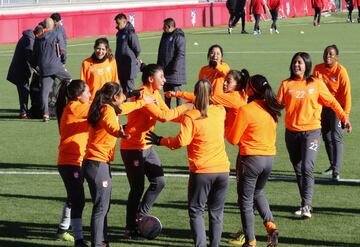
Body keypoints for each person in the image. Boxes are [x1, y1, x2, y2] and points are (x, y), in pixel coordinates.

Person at [146, 79, 230, 247]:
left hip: (202, 171)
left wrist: (161, 140)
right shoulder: (220, 111)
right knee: (216, 212)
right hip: (223, 170)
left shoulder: (191, 116)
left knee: (196, 211)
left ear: (195, 94)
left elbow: (181, 141)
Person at [120, 64, 193, 239]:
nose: (165, 80)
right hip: (133, 148)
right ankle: (130, 227)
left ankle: (141, 215)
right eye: (162, 77)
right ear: (151, 79)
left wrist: (193, 116)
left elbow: (169, 113)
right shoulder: (143, 94)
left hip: (147, 145)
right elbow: (163, 117)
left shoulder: (155, 94)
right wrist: (186, 106)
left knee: (159, 181)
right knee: (137, 189)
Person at [277, 52, 352, 219]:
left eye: (300, 63)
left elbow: (332, 102)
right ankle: (304, 203)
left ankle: (306, 206)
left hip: (312, 133)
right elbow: (277, 106)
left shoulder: (316, 84)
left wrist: (344, 118)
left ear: (307, 66)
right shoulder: (286, 84)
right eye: (295, 62)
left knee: (307, 167)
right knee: (298, 169)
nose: (297, 65)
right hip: (291, 134)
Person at [82, 82, 154, 247]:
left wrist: (144, 101)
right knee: (101, 208)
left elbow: (125, 108)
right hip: (98, 164)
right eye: (122, 96)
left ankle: (102, 241)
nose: (124, 99)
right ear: (115, 98)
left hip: (94, 163)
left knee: (102, 207)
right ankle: (98, 244)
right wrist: (119, 132)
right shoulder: (107, 110)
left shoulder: (106, 106)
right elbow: (110, 125)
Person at [227, 75, 283, 247]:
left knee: (245, 202)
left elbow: (233, 139)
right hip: (268, 160)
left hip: (251, 160)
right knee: (257, 193)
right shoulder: (272, 110)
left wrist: (227, 123)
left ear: (250, 90)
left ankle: (250, 242)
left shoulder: (246, 110)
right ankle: (270, 225)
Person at [55, 79, 91, 246]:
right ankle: (79, 239)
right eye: (87, 92)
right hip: (70, 162)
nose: (90, 95)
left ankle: (62, 230)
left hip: (76, 159)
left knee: (73, 196)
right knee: (79, 199)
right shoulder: (76, 108)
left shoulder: (76, 107)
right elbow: (103, 109)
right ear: (78, 95)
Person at [165, 69, 249, 135]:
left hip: (244, 140)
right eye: (225, 80)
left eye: (228, 81)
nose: (224, 83)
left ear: (238, 85)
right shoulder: (241, 94)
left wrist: (179, 95)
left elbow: (203, 99)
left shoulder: (231, 97)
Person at [313, 45, 351, 180]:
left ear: (336, 57)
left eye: (331, 54)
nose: (327, 56)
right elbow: (314, 88)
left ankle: (336, 170)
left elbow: (347, 96)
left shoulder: (341, 71)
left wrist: (345, 116)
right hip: (323, 108)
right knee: (326, 136)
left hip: (337, 107)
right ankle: (332, 164)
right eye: (325, 53)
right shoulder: (318, 69)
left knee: (336, 136)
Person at [32, 17, 71, 122]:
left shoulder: (38, 38)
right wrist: (63, 61)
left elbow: (34, 55)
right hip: (56, 66)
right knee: (71, 81)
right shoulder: (57, 34)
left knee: (44, 92)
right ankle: (73, 107)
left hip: (44, 68)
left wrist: (37, 66)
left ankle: (45, 115)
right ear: (52, 25)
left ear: (44, 26)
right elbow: (62, 50)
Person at [6, 25, 43, 119]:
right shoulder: (30, 40)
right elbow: (30, 56)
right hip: (20, 71)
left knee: (24, 91)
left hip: (19, 69)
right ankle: (23, 113)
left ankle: (23, 112)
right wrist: (38, 69)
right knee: (24, 91)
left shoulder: (28, 37)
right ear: (39, 33)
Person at [157, 17, 186, 108]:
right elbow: (160, 52)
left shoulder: (179, 36)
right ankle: (167, 109)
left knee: (176, 91)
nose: (162, 28)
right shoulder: (164, 35)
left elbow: (180, 53)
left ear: (169, 27)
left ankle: (179, 109)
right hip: (164, 68)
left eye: (164, 26)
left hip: (174, 70)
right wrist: (159, 66)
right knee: (166, 90)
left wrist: (175, 67)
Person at [114, 13, 141, 97]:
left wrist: (133, 58)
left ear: (124, 21)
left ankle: (132, 108)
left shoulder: (130, 33)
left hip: (129, 66)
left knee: (130, 89)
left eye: (118, 23)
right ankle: (125, 107)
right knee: (122, 89)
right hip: (120, 65)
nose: (116, 25)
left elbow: (137, 49)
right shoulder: (119, 33)